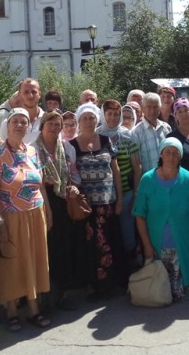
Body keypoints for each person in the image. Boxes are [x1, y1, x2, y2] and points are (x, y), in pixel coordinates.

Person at [0, 108, 51, 331]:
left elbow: (40, 185)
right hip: (11, 216)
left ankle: (34, 309)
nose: (20, 126)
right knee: (12, 263)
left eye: (24, 122)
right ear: (7, 125)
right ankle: (12, 310)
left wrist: (48, 212)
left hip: (35, 214)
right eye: (15, 121)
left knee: (33, 261)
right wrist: (0, 223)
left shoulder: (33, 151)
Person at [134, 137, 189, 301]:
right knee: (159, 292)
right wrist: (146, 245)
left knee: (186, 290)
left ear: (180, 157)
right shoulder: (147, 179)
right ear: (161, 154)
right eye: (168, 152)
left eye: (176, 153)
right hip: (158, 246)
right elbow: (139, 215)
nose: (171, 157)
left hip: (185, 243)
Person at [71, 103, 126, 298]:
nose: (88, 121)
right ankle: (92, 285)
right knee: (90, 246)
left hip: (108, 203)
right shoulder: (71, 145)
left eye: (92, 117)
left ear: (97, 120)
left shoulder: (105, 140)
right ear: (79, 121)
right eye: (84, 118)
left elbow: (116, 170)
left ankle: (110, 283)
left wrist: (119, 199)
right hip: (87, 207)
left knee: (110, 242)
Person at [32, 110, 85, 310]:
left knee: (63, 246)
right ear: (42, 126)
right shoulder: (32, 149)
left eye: (58, 124)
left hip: (63, 200)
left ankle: (60, 294)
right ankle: (44, 295)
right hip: (42, 200)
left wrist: (74, 187)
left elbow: (74, 174)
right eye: (50, 124)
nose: (54, 128)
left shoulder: (67, 148)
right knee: (46, 248)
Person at [97, 100, 140, 266]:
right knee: (109, 232)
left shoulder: (128, 135)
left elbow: (137, 167)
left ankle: (129, 265)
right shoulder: (97, 135)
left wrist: (136, 194)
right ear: (103, 115)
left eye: (116, 114)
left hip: (127, 192)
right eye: (109, 114)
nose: (113, 117)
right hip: (105, 194)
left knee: (126, 229)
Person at [131, 92, 171, 189]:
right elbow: (136, 164)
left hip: (169, 180)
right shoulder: (136, 132)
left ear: (160, 108)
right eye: (149, 107)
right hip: (149, 183)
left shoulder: (166, 128)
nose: (152, 111)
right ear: (143, 108)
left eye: (155, 107)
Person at [0, 78, 44, 143]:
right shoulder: (8, 123)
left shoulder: (48, 121)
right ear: (19, 95)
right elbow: (3, 150)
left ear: (39, 94)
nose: (30, 96)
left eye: (34, 92)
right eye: (26, 92)